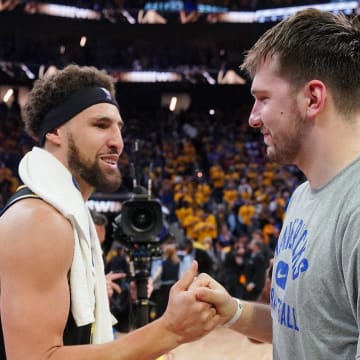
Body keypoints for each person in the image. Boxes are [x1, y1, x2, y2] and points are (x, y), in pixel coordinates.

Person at [0, 64, 222, 359]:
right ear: (55, 131)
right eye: (101, 125)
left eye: (119, 128)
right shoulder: (39, 221)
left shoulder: (63, 213)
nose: (117, 142)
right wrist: (169, 331)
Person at [190, 8, 360, 360]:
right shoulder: (302, 195)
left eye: (263, 99)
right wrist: (233, 310)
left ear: (312, 99)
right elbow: (307, 327)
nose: (253, 118)